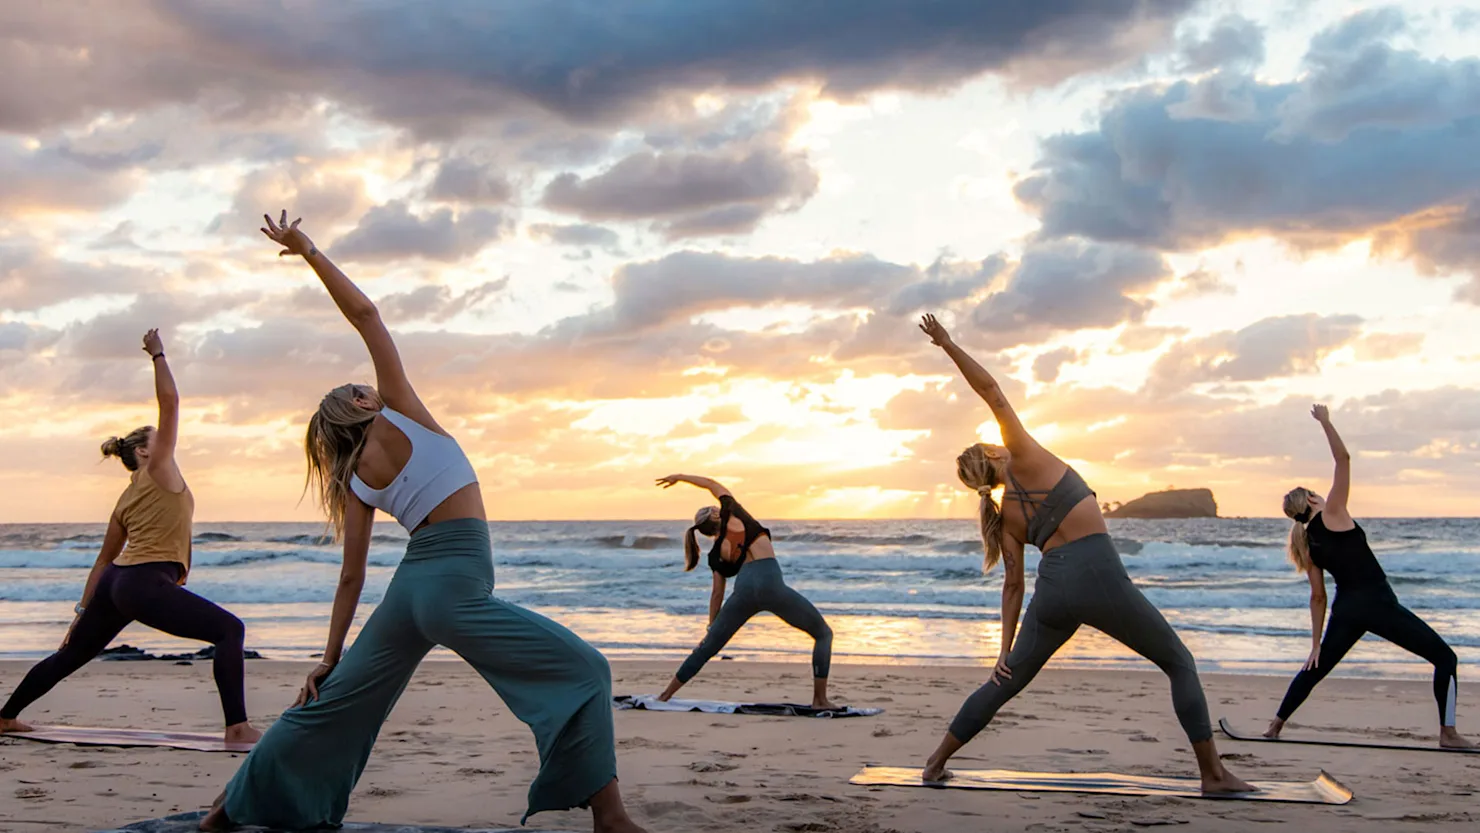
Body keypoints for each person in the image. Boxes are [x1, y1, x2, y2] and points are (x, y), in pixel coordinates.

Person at [200, 212, 645, 833]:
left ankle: (226, 811)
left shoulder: (354, 479)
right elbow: (367, 316)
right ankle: (612, 818)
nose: (374, 390)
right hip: (454, 588)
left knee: (337, 708)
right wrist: (309, 250)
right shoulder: (401, 414)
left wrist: (330, 659)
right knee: (586, 669)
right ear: (360, 403)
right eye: (365, 388)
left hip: (409, 592)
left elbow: (351, 579)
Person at [914, 314, 1250, 792]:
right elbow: (991, 390)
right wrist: (947, 344)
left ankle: (933, 763)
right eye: (988, 444)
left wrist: (1003, 650)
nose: (994, 440)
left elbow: (1014, 585)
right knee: (1178, 662)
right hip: (1098, 576)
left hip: (1053, 592)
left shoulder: (1004, 513)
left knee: (1005, 682)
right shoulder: (1023, 453)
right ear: (991, 456)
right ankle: (1213, 774)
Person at [0, 330, 260, 745]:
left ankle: (5, 716)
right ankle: (237, 728)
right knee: (230, 630)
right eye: (158, 441)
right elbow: (171, 403)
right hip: (143, 581)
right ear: (143, 452)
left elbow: (104, 561)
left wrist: (82, 613)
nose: (168, 444)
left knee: (72, 654)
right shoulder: (160, 470)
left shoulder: (125, 497)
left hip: (117, 583)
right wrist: (158, 355)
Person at [1265, 405, 1473, 748]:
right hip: (1378, 604)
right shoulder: (1332, 511)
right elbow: (1343, 459)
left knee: (1316, 668)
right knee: (1445, 658)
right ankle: (1448, 734)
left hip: (1346, 610)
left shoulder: (1307, 543)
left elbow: (1318, 597)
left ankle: (1274, 725)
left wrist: (1315, 644)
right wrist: (1326, 422)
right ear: (1313, 498)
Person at [652, 474, 835, 709]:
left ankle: (665, 695)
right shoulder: (733, 511)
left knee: (707, 647)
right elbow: (710, 484)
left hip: (744, 591)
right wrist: (680, 477)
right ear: (716, 514)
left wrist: (712, 626)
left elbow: (717, 594)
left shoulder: (716, 553)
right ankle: (820, 700)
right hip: (771, 584)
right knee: (823, 634)